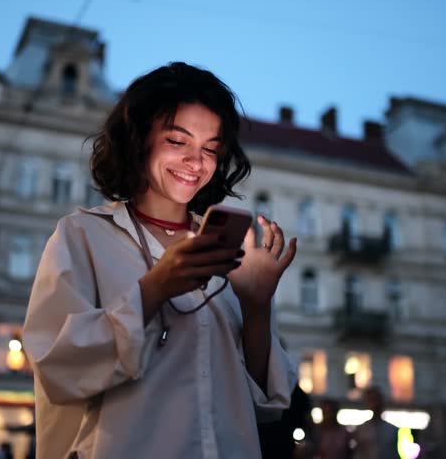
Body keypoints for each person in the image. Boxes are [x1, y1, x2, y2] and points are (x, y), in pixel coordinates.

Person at [22, 62, 298, 458]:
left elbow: (264, 403)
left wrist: (256, 306)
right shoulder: (83, 235)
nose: (196, 161)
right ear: (139, 140)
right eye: (177, 140)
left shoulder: (225, 252)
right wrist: (155, 288)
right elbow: (58, 367)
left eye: (210, 149)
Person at [353, 386, 398, 459]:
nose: (375, 404)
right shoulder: (361, 430)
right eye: (371, 400)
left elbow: (394, 453)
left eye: (376, 400)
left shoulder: (392, 429)